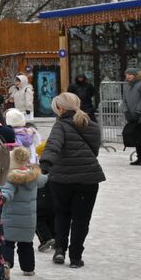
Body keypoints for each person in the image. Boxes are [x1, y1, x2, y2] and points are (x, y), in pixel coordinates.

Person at [38, 92, 104, 268]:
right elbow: (94, 151)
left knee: (61, 215)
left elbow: (53, 145)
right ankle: (76, 257)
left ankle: (60, 250)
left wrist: (45, 164)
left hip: (61, 179)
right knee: (82, 219)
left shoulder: (60, 125)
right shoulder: (92, 124)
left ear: (60, 108)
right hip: (89, 178)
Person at [0, 147, 46, 277]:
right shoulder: (34, 176)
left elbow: (7, 193)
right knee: (26, 245)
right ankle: (28, 268)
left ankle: (6, 265)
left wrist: (0, 199)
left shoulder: (10, 178)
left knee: (8, 243)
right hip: (29, 220)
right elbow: (43, 180)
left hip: (10, 219)